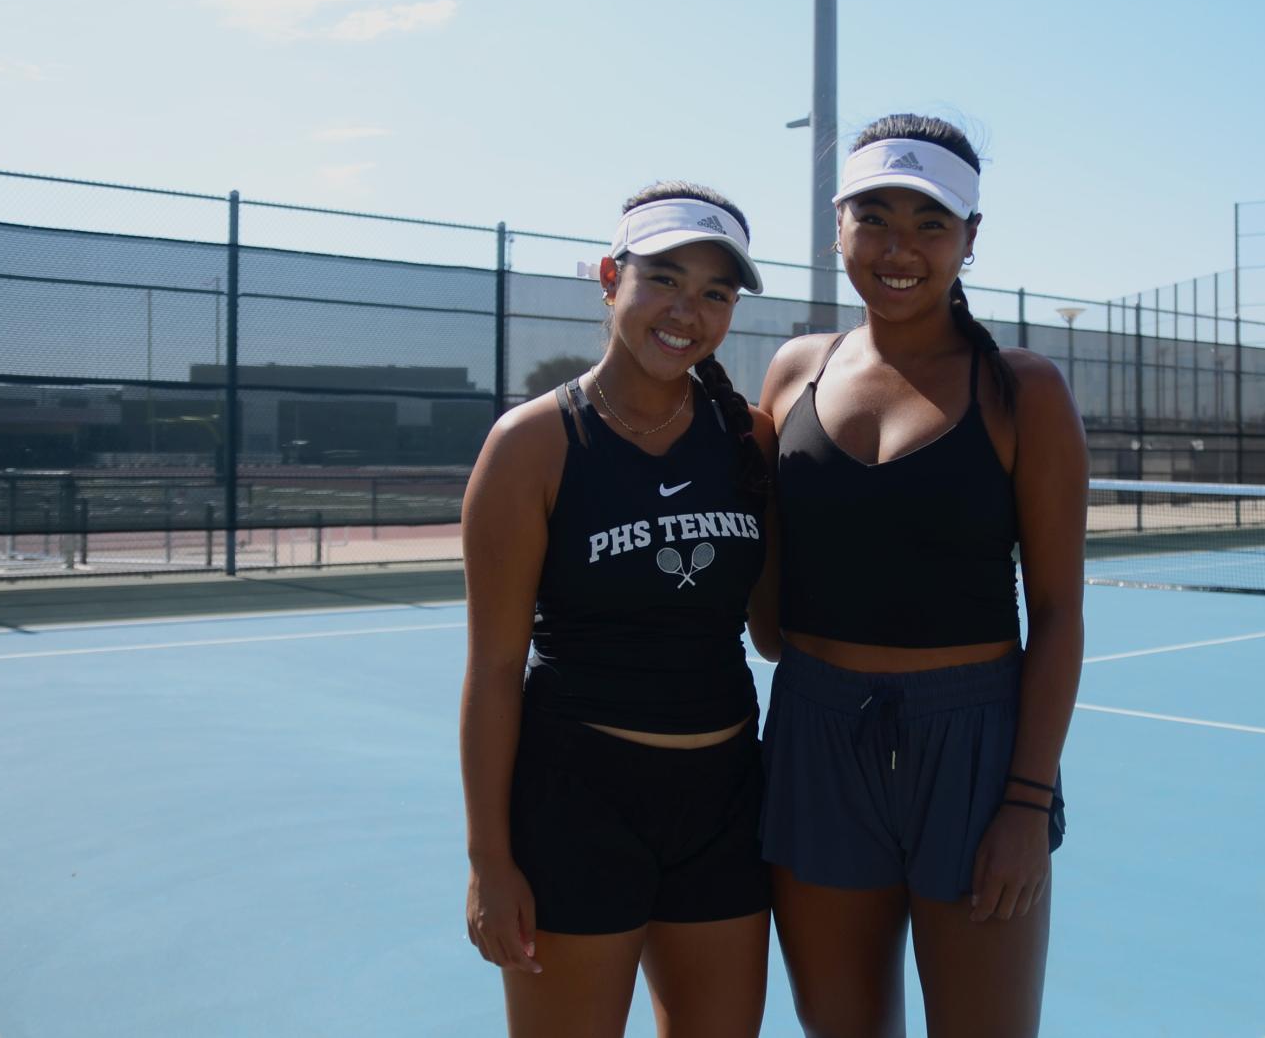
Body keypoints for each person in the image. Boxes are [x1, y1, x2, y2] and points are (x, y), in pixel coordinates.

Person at [753, 115, 1089, 1038]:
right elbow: (769, 618)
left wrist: (1025, 800)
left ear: (970, 240)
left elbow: (1058, 613)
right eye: (873, 216)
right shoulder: (791, 373)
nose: (898, 247)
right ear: (837, 227)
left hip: (978, 755)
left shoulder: (1024, 390)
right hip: (814, 736)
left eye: (930, 222)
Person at [460, 182, 776, 1038]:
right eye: (665, 279)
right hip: (578, 802)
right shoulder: (530, 444)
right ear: (610, 278)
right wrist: (490, 859)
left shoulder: (749, 435)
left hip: (723, 801)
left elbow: (774, 629)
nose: (688, 310)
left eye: (715, 292)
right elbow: (492, 669)